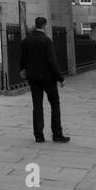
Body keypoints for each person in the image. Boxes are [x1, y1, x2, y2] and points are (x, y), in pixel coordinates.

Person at [20, 16, 70, 144]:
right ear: (44, 26)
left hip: (33, 78)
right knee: (55, 104)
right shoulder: (46, 41)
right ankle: (57, 134)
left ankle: (38, 135)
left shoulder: (26, 40)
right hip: (47, 78)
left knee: (37, 106)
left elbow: (22, 59)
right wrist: (60, 78)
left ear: (35, 25)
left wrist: (23, 70)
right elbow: (52, 61)